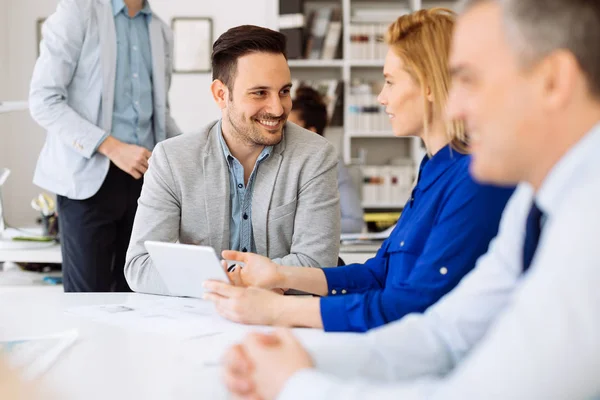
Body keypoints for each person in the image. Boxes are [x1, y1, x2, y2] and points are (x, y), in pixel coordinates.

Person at [220, 0, 600, 398]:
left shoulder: (587, 229)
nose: (454, 107)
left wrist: (295, 382)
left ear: (553, 81)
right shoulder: (533, 206)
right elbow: (443, 334)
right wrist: (309, 362)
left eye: (470, 80)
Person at [203, 9, 514, 332]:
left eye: (391, 82)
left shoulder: (477, 178)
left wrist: (279, 309)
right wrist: (279, 275)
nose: (381, 97)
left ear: (429, 85)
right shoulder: (434, 167)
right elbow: (377, 275)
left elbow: (409, 306)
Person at [124, 25, 341, 295]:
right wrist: (241, 282)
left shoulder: (316, 156)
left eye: (284, 91)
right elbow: (140, 265)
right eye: (260, 93)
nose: (277, 108)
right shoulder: (172, 159)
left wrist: (214, 278)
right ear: (220, 95)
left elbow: (318, 265)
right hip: (205, 321)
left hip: (285, 322)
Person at [29, 0, 181, 292]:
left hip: (145, 183)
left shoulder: (161, 30)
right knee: (89, 300)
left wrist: (199, 150)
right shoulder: (78, 12)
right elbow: (44, 100)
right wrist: (111, 147)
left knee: (142, 294)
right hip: (85, 181)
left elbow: (160, 116)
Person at [288, 87, 364, 234]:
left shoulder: (332, 164)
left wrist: (305, 228)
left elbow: (354, 223)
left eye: (290, 128)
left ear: (310, 132)